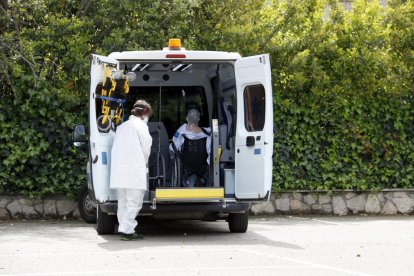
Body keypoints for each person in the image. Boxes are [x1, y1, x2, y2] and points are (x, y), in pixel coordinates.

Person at [110, 99, 152, 241]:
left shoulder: (122, 127)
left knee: (122, 201)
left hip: (120, 171)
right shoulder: (140, 126)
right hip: (135, 170)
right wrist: (144, 162)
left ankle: (124, 229)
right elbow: (146, 148)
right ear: (145, 113)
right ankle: (127, 231)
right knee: (134, 202)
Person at [171, 109, 211, 187]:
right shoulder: (207, 135)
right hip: (202, 165)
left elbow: (174, 147)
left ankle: (188, 181)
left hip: (186, 165)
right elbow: (210, 153)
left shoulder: (181, 133)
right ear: (198, 119)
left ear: (186, 118)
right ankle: (201, 180)